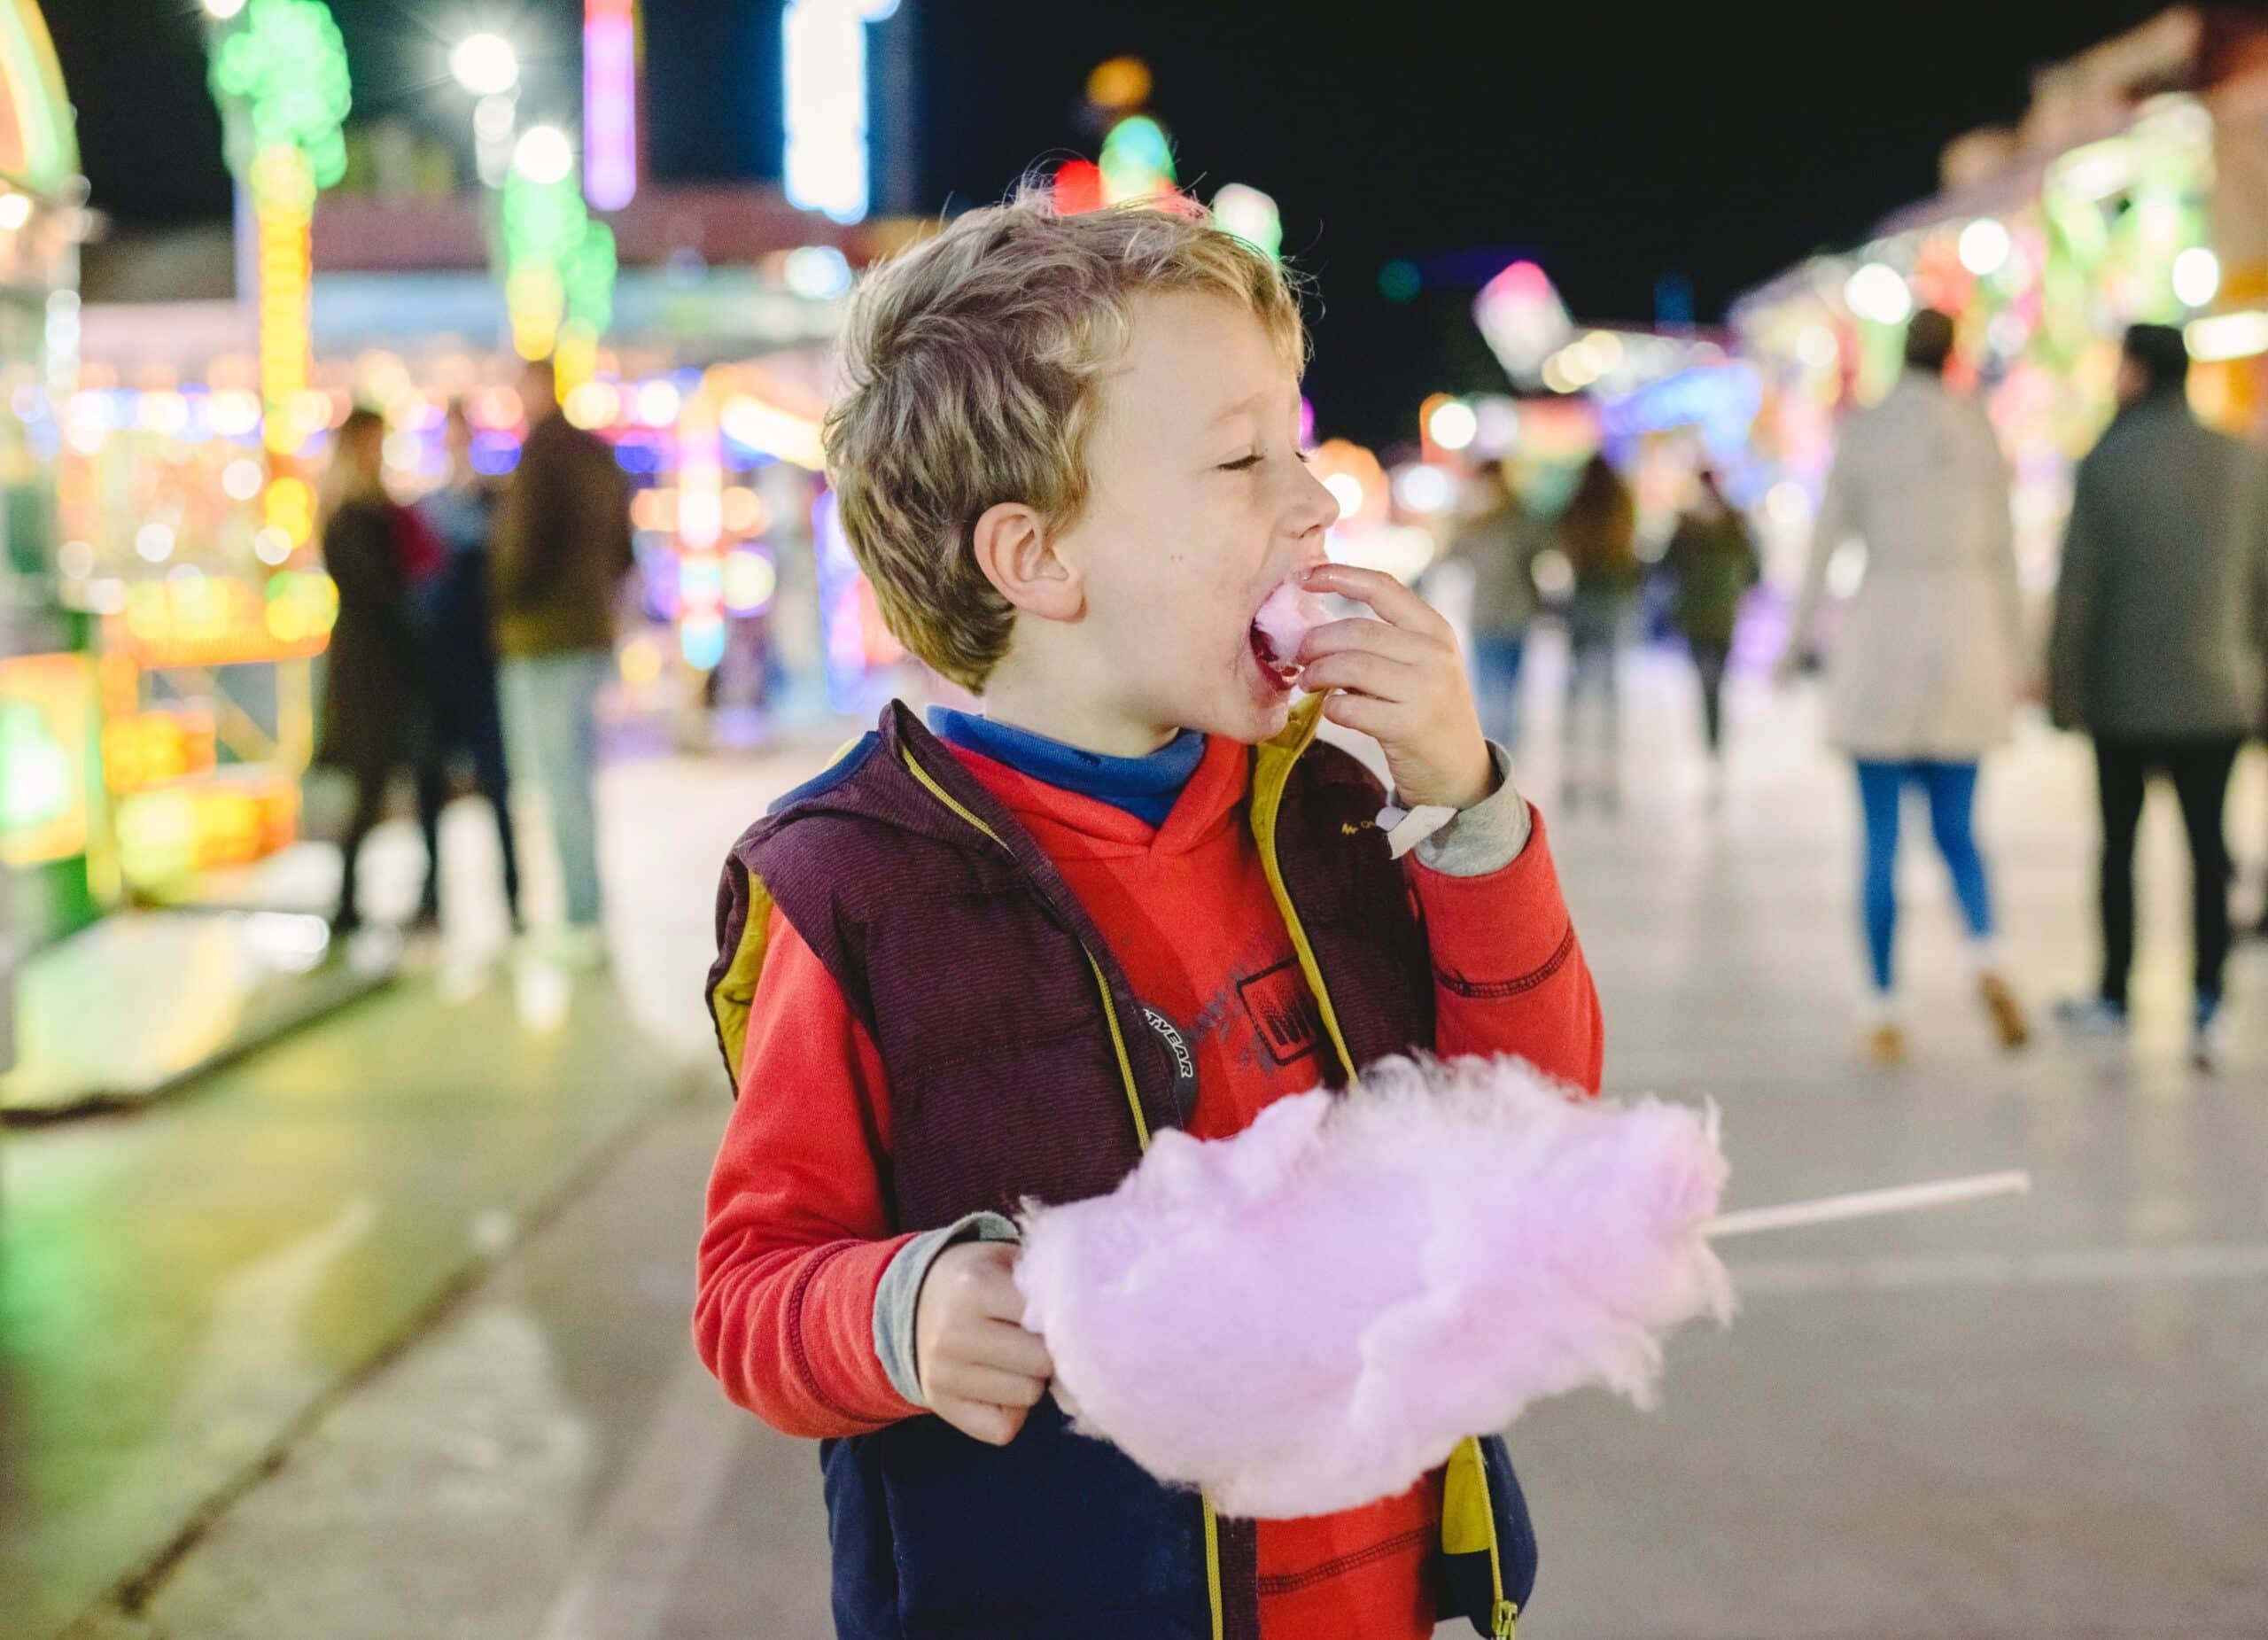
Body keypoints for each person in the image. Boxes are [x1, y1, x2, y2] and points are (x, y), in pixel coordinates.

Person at [695, 192, 1604, 1639]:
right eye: (1245, 460)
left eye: (1295, 447)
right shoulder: (855, 889)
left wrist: (1468, 801)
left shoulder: (1326, 817)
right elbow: (749, 1290)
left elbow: (1537, 1127)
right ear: (1037, 560)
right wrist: (904, 1313)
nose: (1315, 504)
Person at [1777, 307, 2030, 1065]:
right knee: (1959, 829)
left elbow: (1824, 548)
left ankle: (1882, 1003)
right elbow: (2007, 553)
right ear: (1954, 355)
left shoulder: (1866, 428)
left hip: (1883, 635)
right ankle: (1986, 953)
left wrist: (1793, 647)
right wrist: (2020, 657)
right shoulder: (1978, 431)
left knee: (1880, 838)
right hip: (1964, 638)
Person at [2046, 322, 2268, 1066]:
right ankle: (2209, 995)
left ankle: (2116, 992)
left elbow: (2078, 591)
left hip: (2123, 696)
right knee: (2211, 849)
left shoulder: (2107, 463)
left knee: (2120, 847)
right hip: (2216, 695)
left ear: (2137, 373)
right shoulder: (2241, 461)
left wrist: (2064, 694)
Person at [490, 358, 633, 959]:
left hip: (544, 636)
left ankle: (579, 916)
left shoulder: (541, 454)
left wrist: (496, 598)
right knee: (577, 776)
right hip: (590, 631)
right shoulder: (598, 455)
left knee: (556, 780)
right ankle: (588, 909)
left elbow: (520, 550)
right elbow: (625, 551)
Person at [315, 407, 439, 939]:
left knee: (406, 781)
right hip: (370, 670)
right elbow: (377, 591)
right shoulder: (348, 514)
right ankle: (347, 901)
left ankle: (423, 897)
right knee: (371, 785)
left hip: (391, 668)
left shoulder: (377, 509)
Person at [412, 401, 522, 930]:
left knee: (496, 786)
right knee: (431, 784)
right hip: (438, 665)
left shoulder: (491, 501)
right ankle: (435, 895)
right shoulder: (428, 508)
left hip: (480, 662)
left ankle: (513, 897)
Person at [1433, 462, 1543, 749]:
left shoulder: (1516, 518)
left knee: (1506, 688)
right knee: (1491, 689)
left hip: (1513, 614)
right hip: (1490, 616)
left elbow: (1542, 547)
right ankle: (1493, 750)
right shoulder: (1479, 522)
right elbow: (1450, 555)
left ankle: (1501, 750)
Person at [1554, 452, 1639, 809]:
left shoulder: (1577, 506)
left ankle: (1573, 772)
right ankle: (1608, 773)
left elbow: (1562, 543)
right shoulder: (1621, 505)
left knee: (1575, 688)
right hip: (1612, 600)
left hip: (1583, 598)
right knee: (1608, 688)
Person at [1663, 466, 1760, 773]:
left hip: (1707, 617)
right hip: (1715, 617)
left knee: (1709, 685)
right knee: (1713, 684)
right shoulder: (1729, 525)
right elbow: (1755, 571)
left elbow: (1666, 569)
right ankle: (1714, 744)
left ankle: (1713, 744)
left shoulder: (1703, 525)